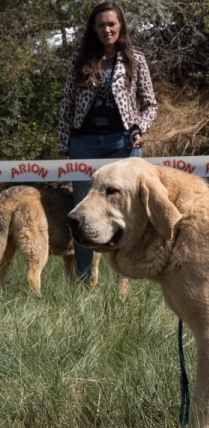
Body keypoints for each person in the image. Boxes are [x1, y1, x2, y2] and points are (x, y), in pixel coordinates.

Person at [57, 1, 157, 289]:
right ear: (93, 28)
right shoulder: (79, 58)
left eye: (111, 23)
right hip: (82, 144)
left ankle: (123, 283)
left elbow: (150, 104)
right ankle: (85, 283)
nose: (106, 29)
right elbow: (66, 106)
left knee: (123, 214)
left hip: (122, 144)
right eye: (100, 24)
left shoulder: (135, 59)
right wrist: (63, 147)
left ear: (121, 25)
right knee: (83, 217)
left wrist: (140, 127)